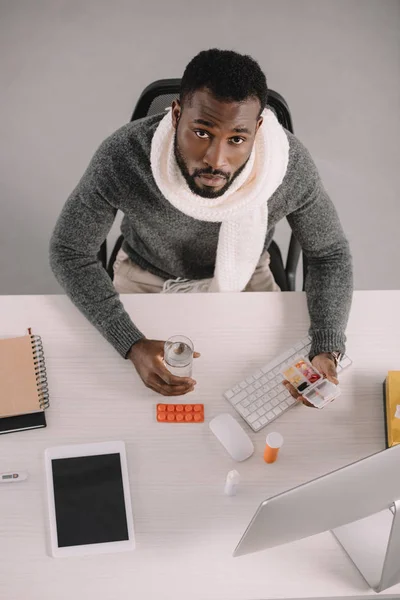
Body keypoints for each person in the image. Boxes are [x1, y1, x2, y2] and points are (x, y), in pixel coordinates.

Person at [50, 48, 353, 403]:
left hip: (246, 273)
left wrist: (327, 348)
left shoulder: (287, 166)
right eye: (202, 132)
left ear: (258, 128)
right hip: (146, 272)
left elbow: (329, 254)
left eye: (237, 139)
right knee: (121, 397)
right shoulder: (124, 156)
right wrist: (129, 342)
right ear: (176, 114)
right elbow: (69, 250)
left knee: (265, 391)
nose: (216, 159)